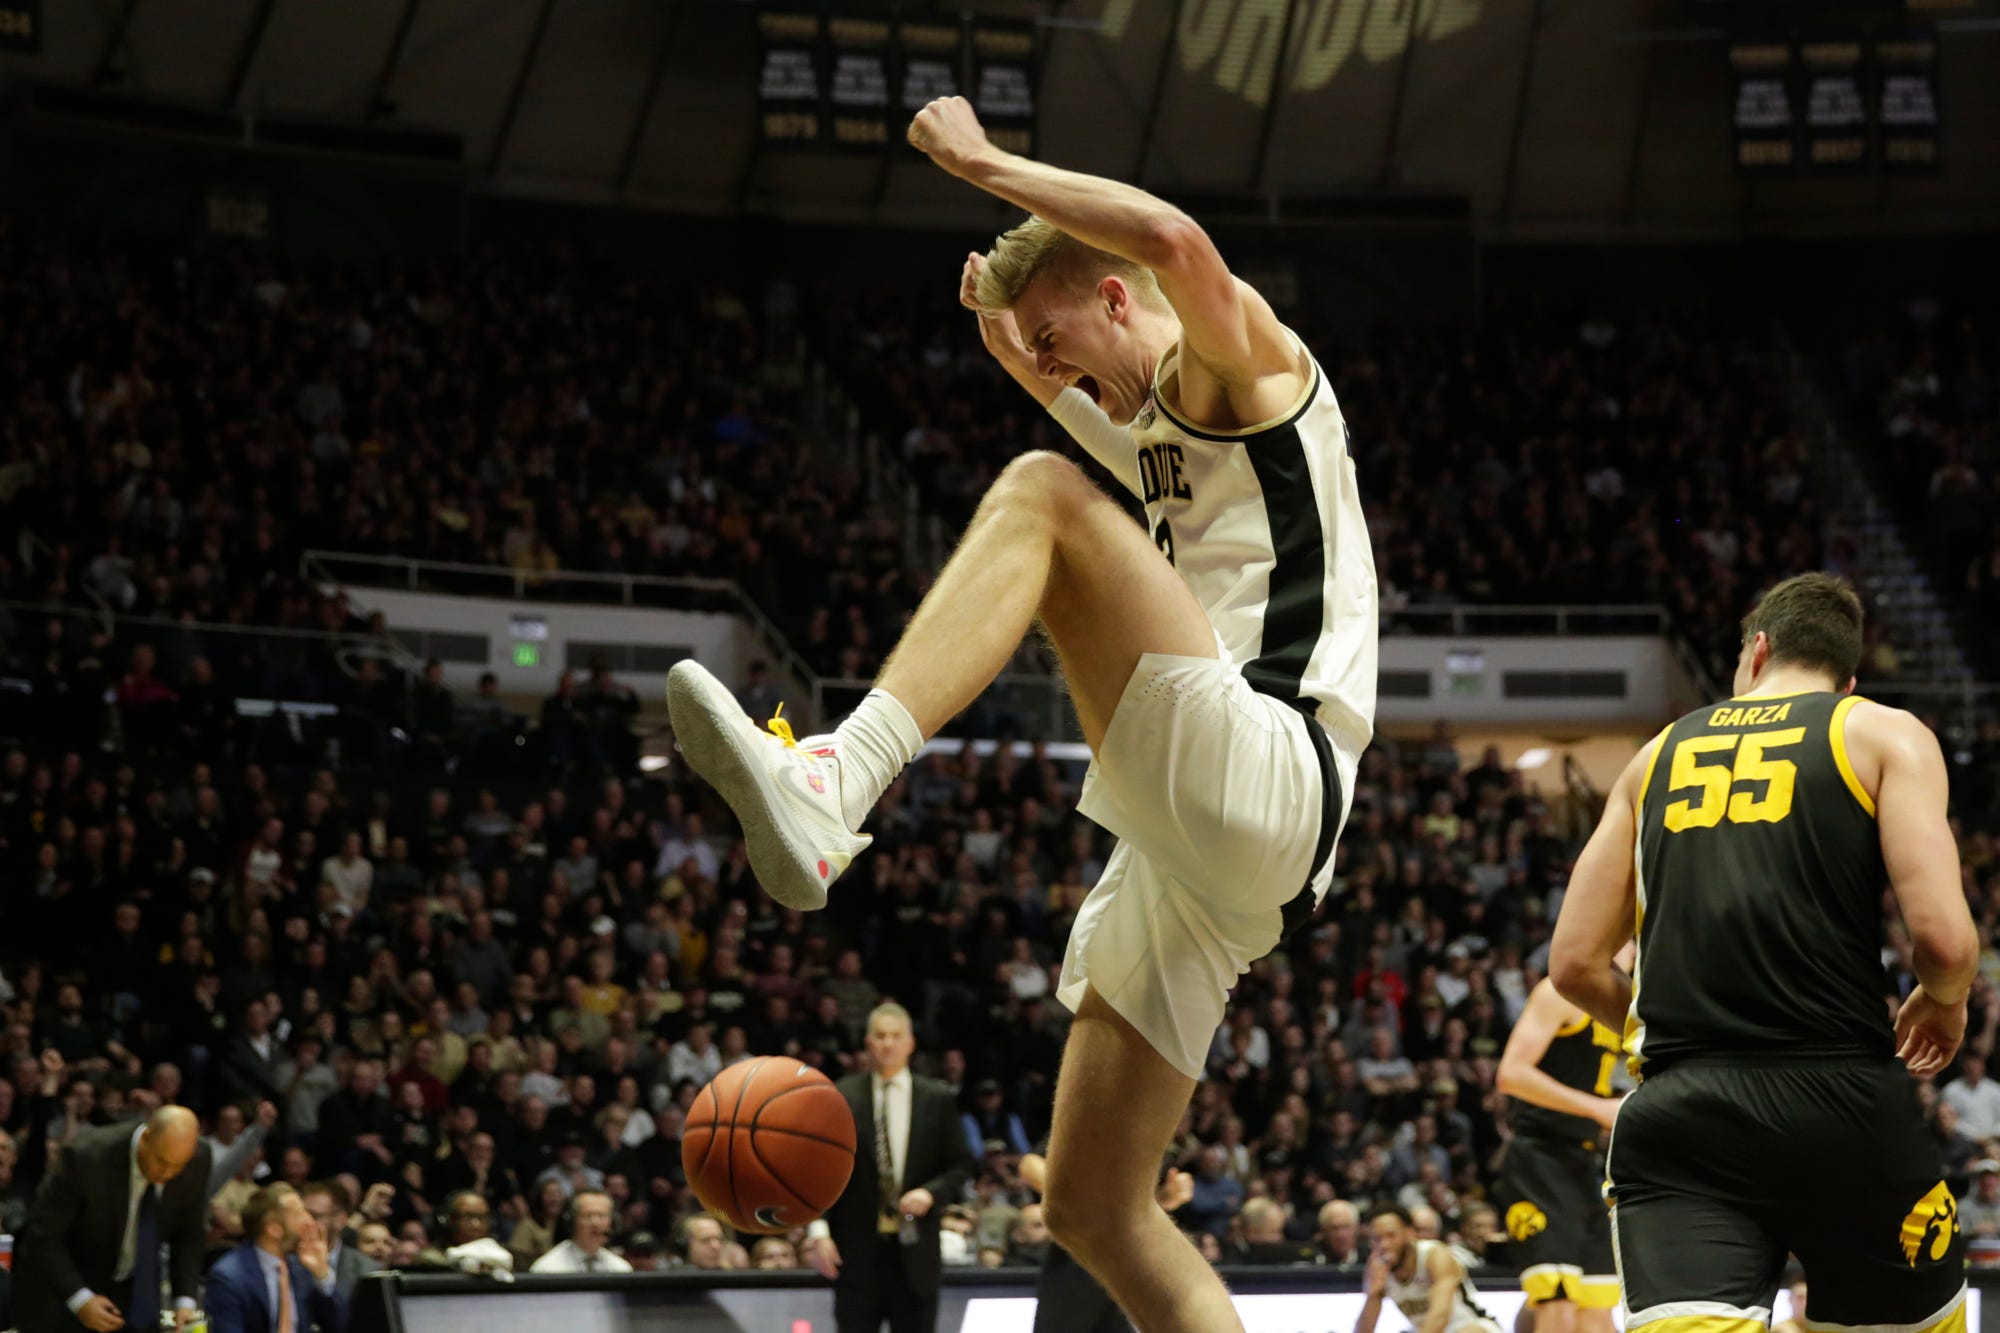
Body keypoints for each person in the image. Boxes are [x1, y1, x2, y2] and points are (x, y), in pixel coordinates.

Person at [666, 93, 1375, 1333]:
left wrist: (987, 166)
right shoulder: (1144, 427)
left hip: (1279, 760)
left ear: (1110, 302)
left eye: (1056, 338)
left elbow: (1174, 244)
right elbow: (1088, 414)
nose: (1048, 370)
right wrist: (1017, 349)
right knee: (1093, 1205)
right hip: (1212, 858)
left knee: (1039, 496)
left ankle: (837, 779)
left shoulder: (1245, 366)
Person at [1551, 573, 1979, 1333]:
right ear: (1847, 680)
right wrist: (1944, 999)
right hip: (1841, 1098)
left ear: (1757, 650)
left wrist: (1672, 1026)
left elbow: (1576, 962)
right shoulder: (1879, 731)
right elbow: (1944, 941)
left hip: (1684, 1117)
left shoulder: (1654, 755)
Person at [806, 1004, 976, 1333]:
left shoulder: (936, 1097)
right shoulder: (842, 1094)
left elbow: (961, 1162)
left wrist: (930, 1192)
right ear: (868, 1043)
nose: (887, 1043)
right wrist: (819, 1231)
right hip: (856, 1252)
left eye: (895, 1036)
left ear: (910, 1043)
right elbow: (820, 1169)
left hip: (916, 1252)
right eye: (880, 1036)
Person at [1493, 960, 1628, 1333]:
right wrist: (1598, 1108)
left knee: (1598, 1311)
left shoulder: (1626, 1002)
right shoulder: (1560, 992)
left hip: (1587, 1161)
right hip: (1539, 1156)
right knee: (1559, 1303)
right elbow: (1511, 1074)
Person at [15, 1105, 211, 1332]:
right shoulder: (86, 1157)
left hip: (131, 1290)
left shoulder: (198, 1159)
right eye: (161, 1161)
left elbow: (189, 1233)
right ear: (146, 1138)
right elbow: (43, 1234)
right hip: (66, 1286)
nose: (166, 1173)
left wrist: (185, 1301)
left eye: (177, 1166)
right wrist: (80, 1299)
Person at [1016, 1144, 1193, 1333]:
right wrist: (1084, 1202)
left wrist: (1166, 1197)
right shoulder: (1108, 1115)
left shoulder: (1169, 1134)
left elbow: (1135, 1203)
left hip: (1128, 1261)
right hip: (1082, 1255)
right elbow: (1029, 1164)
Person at [202, 1182, 344, 1333]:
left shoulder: (302, 1266)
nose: (310, 1221)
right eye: (299, 1213)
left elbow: (339, 1327)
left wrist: (322, 1275)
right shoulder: (230, 1277)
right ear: (274, 1229)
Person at [1356, 1205, 1502, 1333]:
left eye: (1390, 1235)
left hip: (1473, 1326)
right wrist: (1372, 1296)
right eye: (1377, 1238)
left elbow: (1440, 1317)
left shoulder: (1435, 1255)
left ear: (1410, 1233)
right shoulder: (1378, 1268)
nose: (1384, 1244)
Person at [298, 1180, 379, 1307]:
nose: (305, 1222)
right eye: (300, 1215)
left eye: (314, 1216)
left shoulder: (368, 1270)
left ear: (340, 1220)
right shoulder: (284, 1261)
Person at [528, 1189, 631, 1274]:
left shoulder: (621, 1269)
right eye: (588, 1216)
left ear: (612, 1222)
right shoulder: (546, 1269)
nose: (595, 1223)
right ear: (572, 1221)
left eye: (602, 1216)